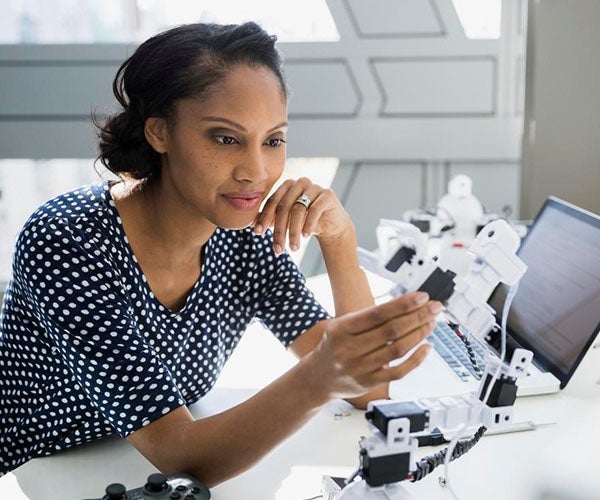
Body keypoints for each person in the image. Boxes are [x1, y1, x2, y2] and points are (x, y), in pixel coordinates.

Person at [0, 22, 440, 485]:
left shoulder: (242, 235)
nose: (255, 171)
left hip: (135, 475)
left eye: (272, 140)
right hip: (35, 474)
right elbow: (178, 455)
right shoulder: (68, 241)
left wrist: (339, 239)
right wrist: (320, 377)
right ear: (159, 132)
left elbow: (369, 388)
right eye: (226, 138)